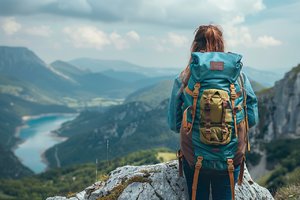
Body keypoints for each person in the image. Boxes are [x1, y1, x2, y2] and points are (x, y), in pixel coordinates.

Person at [167, 24, 258, 200]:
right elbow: (251, 118)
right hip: (229, 156)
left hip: (195, 156)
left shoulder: (184, 77)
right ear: (221, 45)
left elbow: (174, 124)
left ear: (195, 46)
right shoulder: (239, 77)